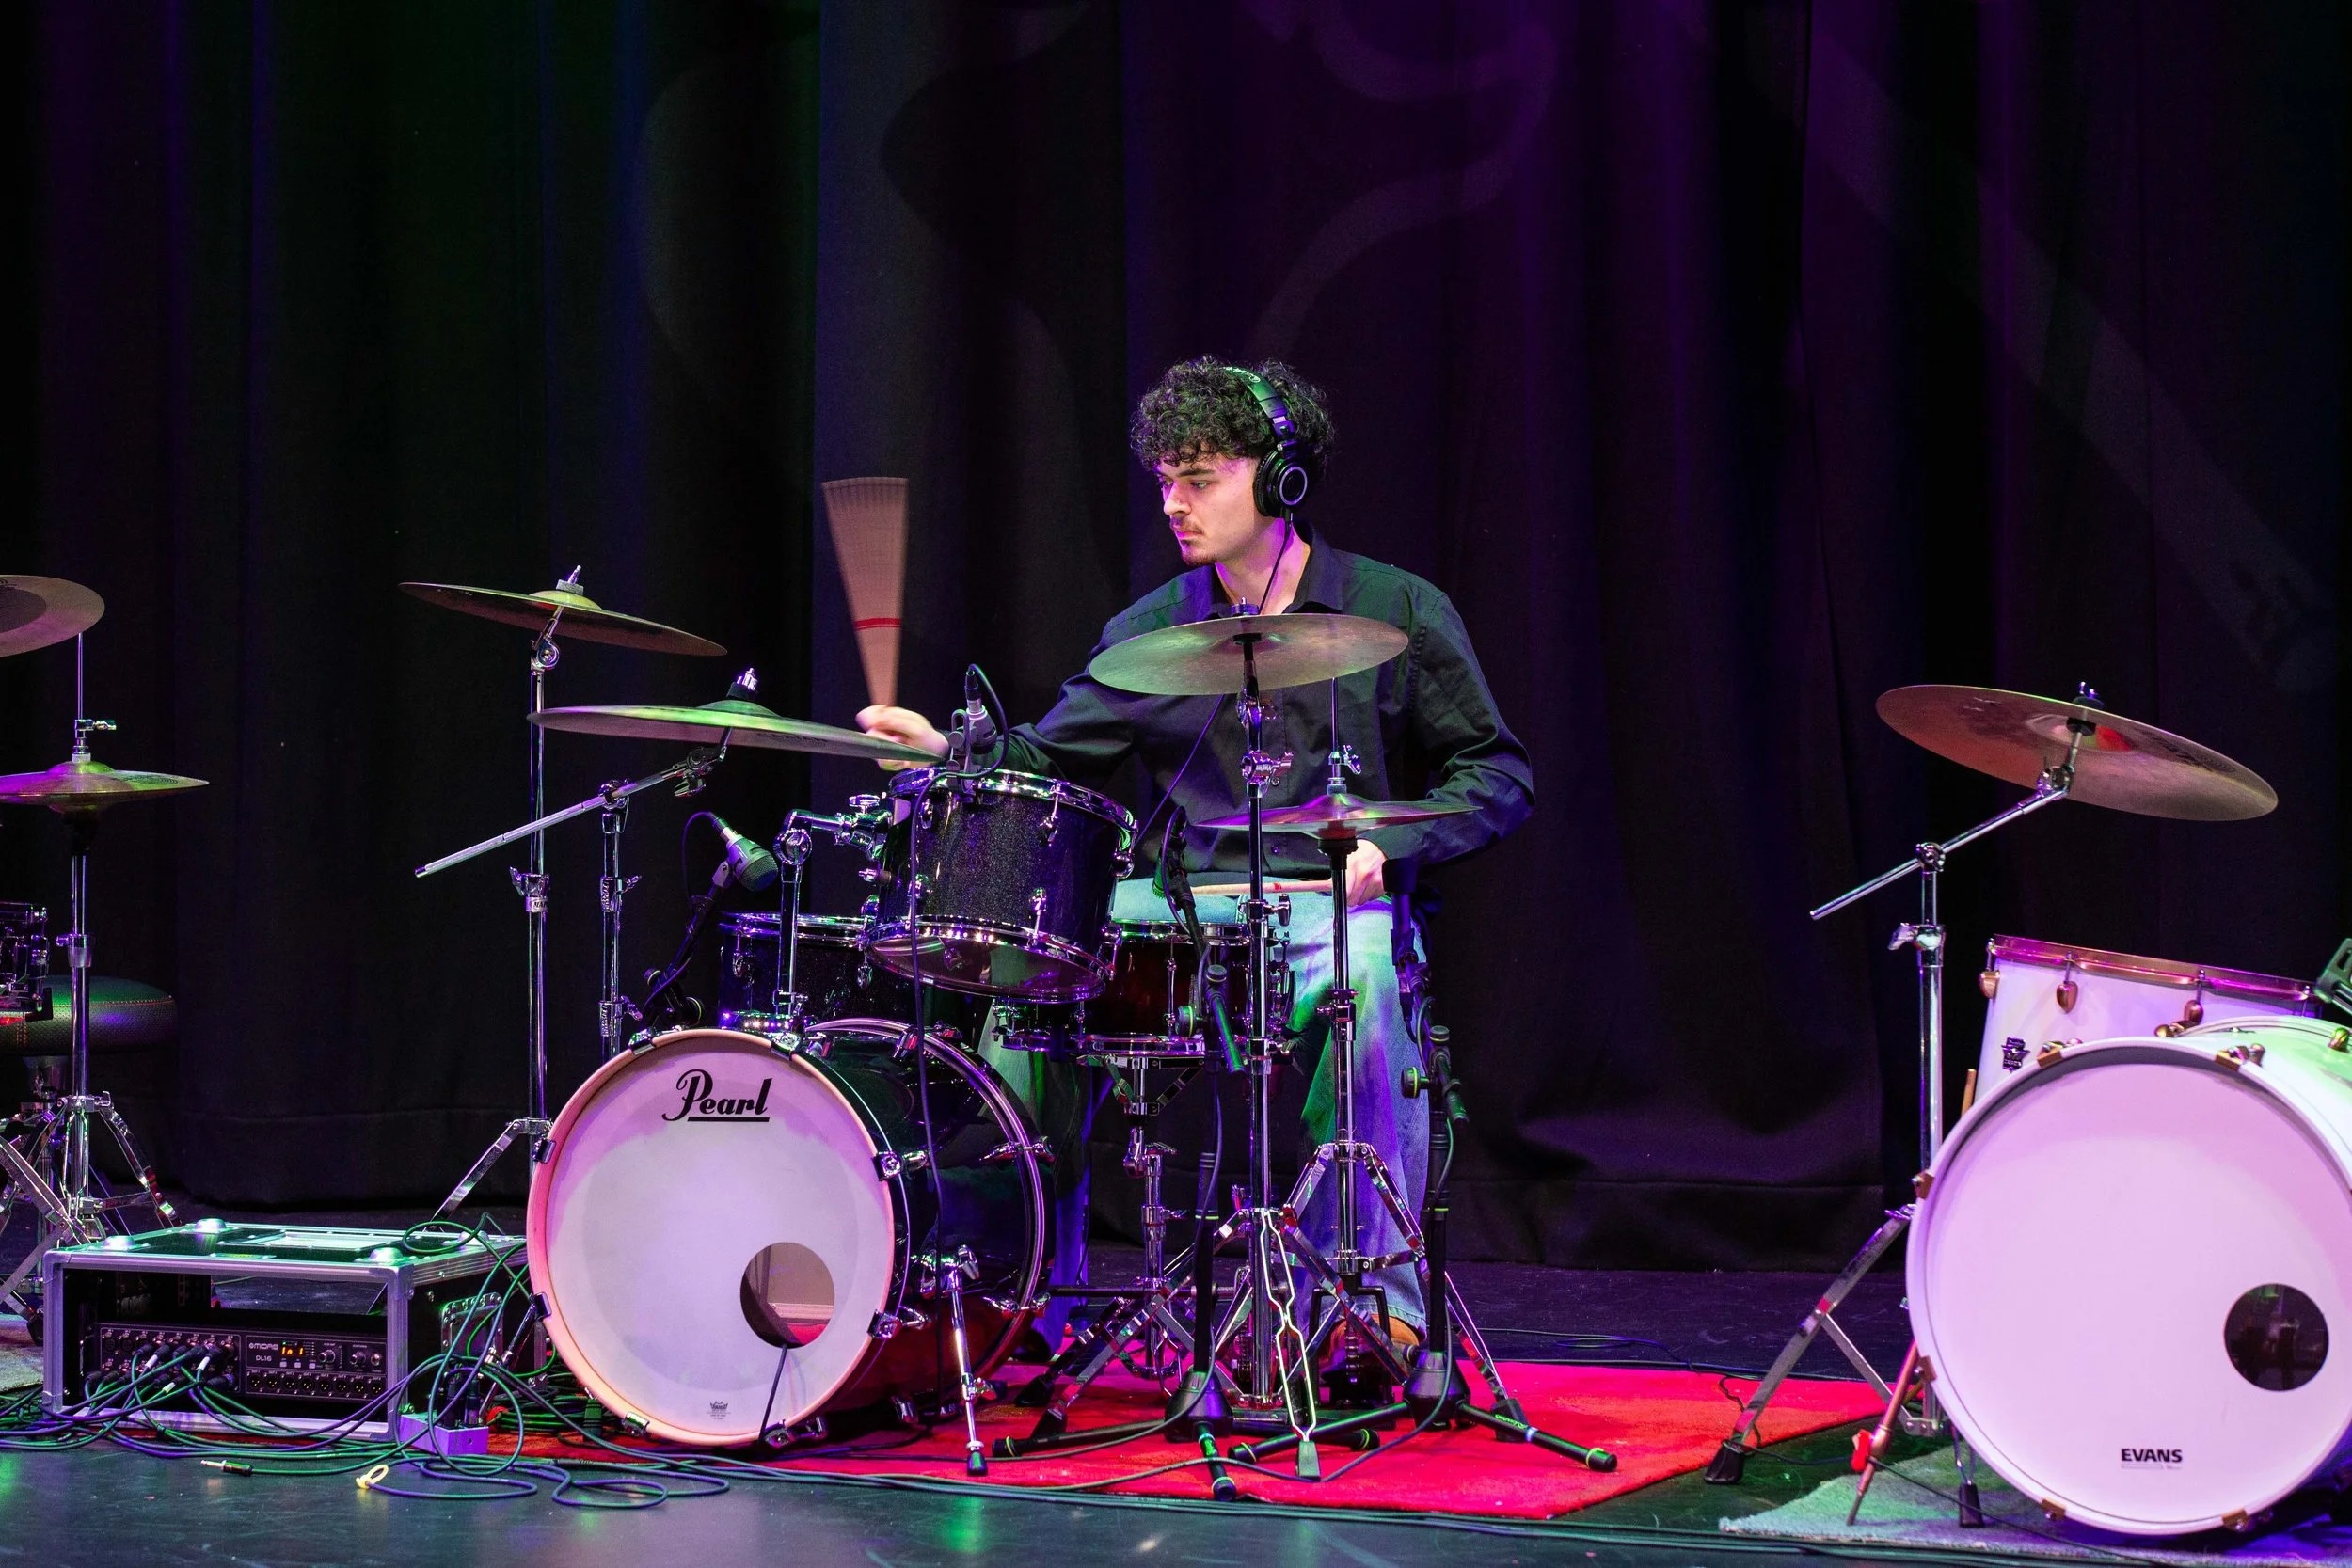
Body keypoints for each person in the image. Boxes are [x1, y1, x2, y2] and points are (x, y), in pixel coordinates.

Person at [858, 356, 1533, 1350]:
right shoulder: (1149, 631)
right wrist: (950, 749)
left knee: (1369, 973)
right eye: (1164, 479)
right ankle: (1021, 1291)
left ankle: (1366, 1304)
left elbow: (1496, 773)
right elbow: (1047, 754)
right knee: (1029, 976)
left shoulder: (1397, 610)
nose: (1174, 503)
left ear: (1280, 477)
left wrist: (1387, 843)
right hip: (1175, 903)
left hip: (1322, 900)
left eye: (1200, 476)